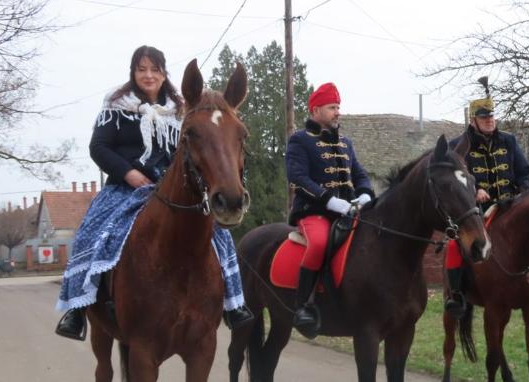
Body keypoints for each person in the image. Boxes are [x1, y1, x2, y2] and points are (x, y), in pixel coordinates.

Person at [54, 45, 253, 341]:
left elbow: (190, 149)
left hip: (167, 185)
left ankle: (233, 303)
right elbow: (99, 148)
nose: (148, 75)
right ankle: (78, 309)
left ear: (163, 73)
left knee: (218, 234)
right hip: (124, 186)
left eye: (155, 69)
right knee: (92, 231)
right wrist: (129, 173)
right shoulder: (116, 104)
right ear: (133, 73)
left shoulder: (180, 107)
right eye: (141, 69)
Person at [444, 77, 529, 314]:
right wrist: (475, 191)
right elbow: (454, 181)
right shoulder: (458, 146)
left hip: (512, 203)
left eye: (492, 117)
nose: (490, 121)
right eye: (484, 118)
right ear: (473, 121)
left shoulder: (509, 141)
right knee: (455, 245)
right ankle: (457, 295)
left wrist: (522, 193)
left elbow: (524, 173)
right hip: (477, 209)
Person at [285, 82, 375, 339]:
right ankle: (303, 306)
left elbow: (359, 174)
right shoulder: (300, 140)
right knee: (320, 243)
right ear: (315, 110)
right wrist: (328, 200)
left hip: (349, 211)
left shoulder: (346, 143)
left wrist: (366, 194)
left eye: (338, 107)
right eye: (332, 107)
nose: (338, 112)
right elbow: (298, 178)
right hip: (313, 211)